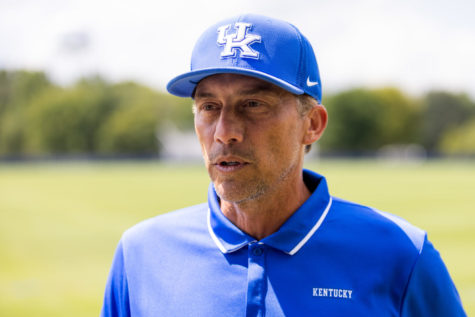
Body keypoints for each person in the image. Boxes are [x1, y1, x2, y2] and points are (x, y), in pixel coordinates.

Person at [101, 14, 466, 316]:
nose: (224, 132)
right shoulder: (140, 254)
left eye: (254, 105)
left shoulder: (402, 254)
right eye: (209, 107)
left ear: (312, 124)